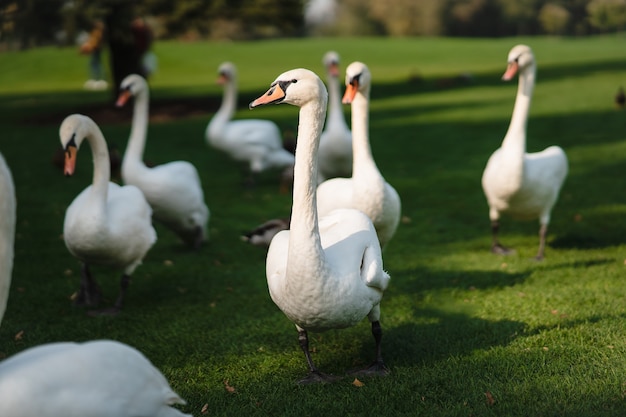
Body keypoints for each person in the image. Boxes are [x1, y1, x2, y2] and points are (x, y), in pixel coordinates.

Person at [80, 20, 107, 90]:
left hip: (95, 50)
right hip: (95, 50)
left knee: (95, 65)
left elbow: (94, 42)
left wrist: (88, 47)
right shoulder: (96, 32)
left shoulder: (97, 32)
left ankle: (98, 80)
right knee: (95, 64)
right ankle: (97, 79)